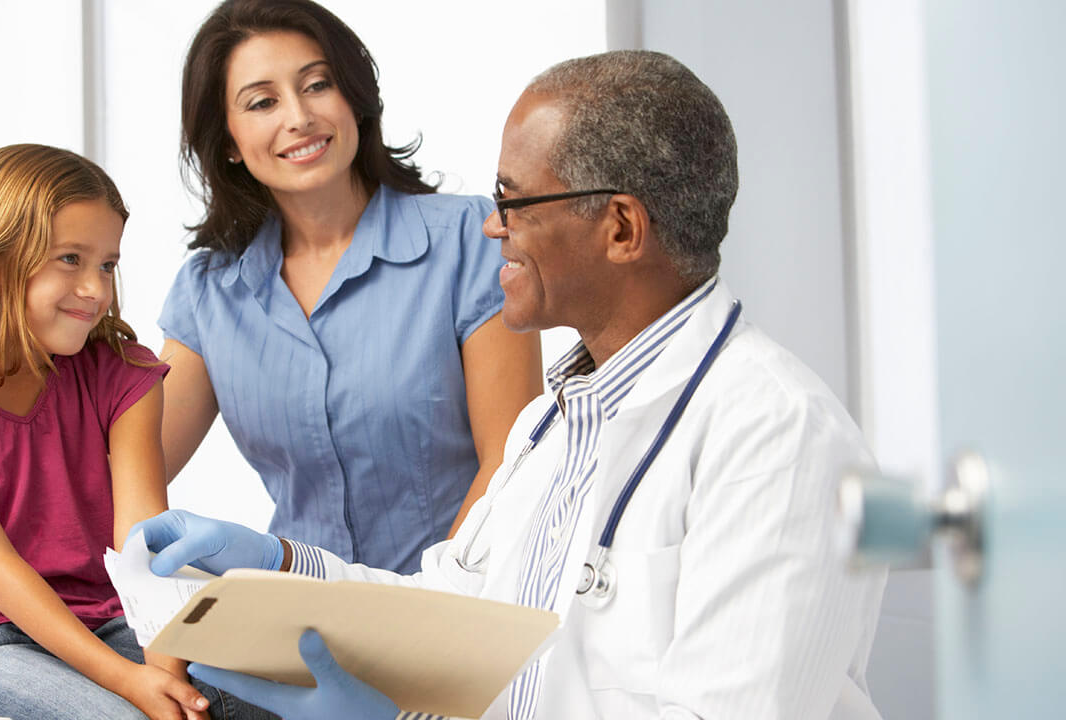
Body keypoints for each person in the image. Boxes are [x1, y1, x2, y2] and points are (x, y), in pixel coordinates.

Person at [134, 50, 889, 720]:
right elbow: (459, 609)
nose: (491, 227)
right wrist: (284, 567)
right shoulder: (551, 426)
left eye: (514, 199)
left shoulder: (776, 437)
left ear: (621, 229)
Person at [0, 144, 272, 720]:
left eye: (106, 264)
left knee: (263, 704)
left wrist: (167, 681)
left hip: (106, 618)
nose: (96, 290)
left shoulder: (124, 375)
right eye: (70, 259)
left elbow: (141, 547)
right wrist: (129, 683)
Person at [159, 0, 544, 573]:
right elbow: (128, 472)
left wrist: (422, 615)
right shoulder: (209, 292)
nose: (298, 116)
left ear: (354, 100)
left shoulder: (470, 239)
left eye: (317, 85)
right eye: (262, 102)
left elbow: (508, 467)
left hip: (454, 618)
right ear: (230, 141)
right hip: (295, 623)